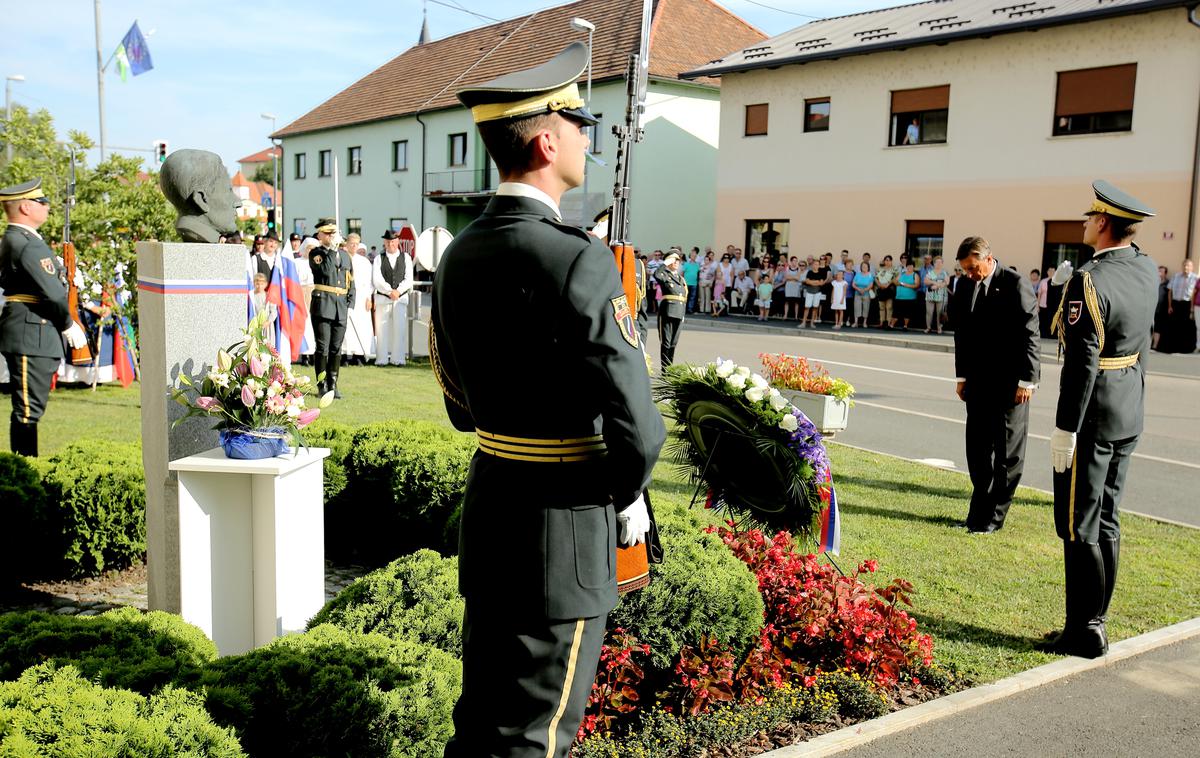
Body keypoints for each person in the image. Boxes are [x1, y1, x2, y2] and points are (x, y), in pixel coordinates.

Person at [430, 43, 665, 756]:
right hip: (563, 527)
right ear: (545, 139)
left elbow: (460, 403)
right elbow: (640, 427)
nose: (587, 141)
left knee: (482, 725)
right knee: (537, 736)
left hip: (495, 504)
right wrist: (624, 494)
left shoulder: (459, 253)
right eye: (577, 124)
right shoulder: (576, 258)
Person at [1043, 181, 1159, 658]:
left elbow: (1081, 363)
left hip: (1092, 415)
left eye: (1091, 216)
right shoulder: (1145, 267)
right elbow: (1140, 343)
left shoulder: (1088, 281)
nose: (1086, 222)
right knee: (1107, 519)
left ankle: (1086, 630)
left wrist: (1065, 428)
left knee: (1078, 524)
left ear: (1105, 223)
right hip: (1127, 404)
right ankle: (1096, 619)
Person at [951, 236, 1040, 534]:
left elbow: (1030, 333)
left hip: (1009, 385)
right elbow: (961, 334)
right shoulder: (964, 286)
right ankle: (977, 514)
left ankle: (994, 518)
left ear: (988, 259)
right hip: (977, 383)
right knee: (977, 450)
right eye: (966, 269)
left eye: (974, 268)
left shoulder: (1014, 283)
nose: (970, 274)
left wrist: (1028, 380)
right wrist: (961, 377)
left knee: (1006, 455)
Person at [0, 179, 88, 456]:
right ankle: (25, 471)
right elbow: (52, 294)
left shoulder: (18, 240)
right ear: (26, 207)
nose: (47, 207)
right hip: (31, 333)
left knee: (29, 409)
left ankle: (25, 467)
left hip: (30, 331)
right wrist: (68, 324)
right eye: (42, 202)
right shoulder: (26, 243)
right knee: (28, 411)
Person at [308, 219, 354, 398]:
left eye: (333, 233)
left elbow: (350, 279)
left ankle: (333, 384)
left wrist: (350, 300)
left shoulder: (344, 255)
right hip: (323, 305)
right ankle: (322, 384)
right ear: (319, 235)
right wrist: (332, 250)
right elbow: (326, 271)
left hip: (340, 305)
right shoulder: (316, 253)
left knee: (336, 348)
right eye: (327, 233)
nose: (330, 236)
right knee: (323, 348)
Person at [373, 229, 414, 366]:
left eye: (393, 241)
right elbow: (376, 279)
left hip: (400, 299)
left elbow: (409, 279)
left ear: (398, 242)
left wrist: (398, 291)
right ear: (384, 243)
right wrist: (389, 291)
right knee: (381, 330)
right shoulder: (379, 258)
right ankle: (381, 359)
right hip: (383, 299)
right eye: (388, 241)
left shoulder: (406, 257)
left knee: (399, 330)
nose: (391, 244)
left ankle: (398, 359)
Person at [340, 237, 375, 365]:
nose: (354, 246)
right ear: (347, 244)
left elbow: (370, 282)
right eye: (351, 244)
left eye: (356, 244)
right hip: (345, 296)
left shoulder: (365, 262)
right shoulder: (341, 258)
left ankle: (359, 354)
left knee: (362, 326)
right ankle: (345, 354)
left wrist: (369, 297)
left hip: (361, 298)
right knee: (346, 326)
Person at [655, 250, 688, 368]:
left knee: (673, 343)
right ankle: (665, 370)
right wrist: (665, 263)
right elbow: (656, 275)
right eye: (673, 260)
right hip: (668, 311)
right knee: (666, 342)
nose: (676, 262)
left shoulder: (681, 279)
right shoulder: (664, 275)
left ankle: (670, 369)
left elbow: (683, 297)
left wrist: (683, 314)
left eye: (677, 260)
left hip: (679, 313)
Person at [1165, 259, 1196, 353]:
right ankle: (1172, 348)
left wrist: (1191, 309)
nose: (1186, 267)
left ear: (1192, 267)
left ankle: (1184, 349)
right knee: (1174, 326)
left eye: (1188, 266)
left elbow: (1195, 294)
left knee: (1185, 328)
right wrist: (1170, 306)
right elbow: (1170, 291)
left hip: (1187, 305)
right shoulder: (1176, 276)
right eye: (1184, 265)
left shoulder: (1195, 278)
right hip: (1175, 304)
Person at [923, 256, 949, 334]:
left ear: (942, 263)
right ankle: (928, 327)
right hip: (930, 294)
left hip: (941, 295)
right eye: (937, 262)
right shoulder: (930, 272)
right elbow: (926, 281)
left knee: (939, 312)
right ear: (934, 263)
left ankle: (939, 328)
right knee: (929, 312)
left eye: (940, 262)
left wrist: (937, 286)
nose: (938, 264)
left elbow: (946, 282)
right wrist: (934, 283)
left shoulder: (945, 272)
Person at [800, 256, 828, 328]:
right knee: (807, 307)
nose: (816, 266)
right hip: (809, 292)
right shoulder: (809, 272)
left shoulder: (821, 273)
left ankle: (812, 323)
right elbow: (807, 281)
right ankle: (803, 322)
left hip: (817, 292)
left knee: (815, 308)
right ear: (812, 265)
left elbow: (821, 283)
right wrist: (816, 282)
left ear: (819, 265)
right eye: (814, 264)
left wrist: (812, 282)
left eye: (817, 264)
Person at [894, 260, 920, 330]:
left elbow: (916, 285)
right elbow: (895, 281)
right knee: (896, 312)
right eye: (908, 266)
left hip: (910, 298)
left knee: (907, 313)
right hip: (899, 297)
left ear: (913, 267)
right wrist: (897, 283)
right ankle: (891, 325)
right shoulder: (902, 273)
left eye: (911, 266)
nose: (909, 267)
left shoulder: (915, 275)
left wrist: (905, 285)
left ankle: (905, 326)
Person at [874, 255, 896, 328]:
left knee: (889, 307)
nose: (887, 261)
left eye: (889, 260)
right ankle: (881, 322)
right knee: (881, 307)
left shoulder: (894, 269)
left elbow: (895, 279)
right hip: (881, 289)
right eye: (886, 260)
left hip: (889, 289)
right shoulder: (880, 269)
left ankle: (888, 323)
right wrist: (880, 285)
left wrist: (888, 284)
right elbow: (876, 278)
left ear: (891, 261)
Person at [851, 262, 874, 328]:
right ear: (861, 267)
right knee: (856, 307)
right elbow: (853, 284)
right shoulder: (857, 274)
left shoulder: (870, 275)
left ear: (868, 267)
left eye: (865, 266)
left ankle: (864, 323)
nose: (864, 267)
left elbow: (871, 285)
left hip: (866, 294)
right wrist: (858, 289)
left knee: (866, 307)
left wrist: (864, 290)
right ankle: (856, 322)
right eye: (863, 266)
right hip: (857, 293)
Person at [681, 249, 700, 314]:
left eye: (695, 256)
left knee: (692, 297)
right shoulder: (686, 264)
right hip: (686, 283)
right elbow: (682, 273)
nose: (694, 257)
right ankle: (684, 309)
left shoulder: (697, 265)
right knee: (685, 297)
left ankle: (690, 309)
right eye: (692, 255)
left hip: (694, 283)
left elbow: (698, 274)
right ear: (690, 256)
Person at [697, 250, 715, 314]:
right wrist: (699, 281)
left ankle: (707, 310)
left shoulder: (711, 268)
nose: (706, 261)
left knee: (708, 296)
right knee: (702, 297)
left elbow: (713, 276)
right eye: (705, 260)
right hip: (702, 282)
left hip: (708, 282)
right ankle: (701, 309)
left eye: (707, 260)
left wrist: (711, 283)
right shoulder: (701, 267)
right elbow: (699, 275)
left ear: (709, 261)